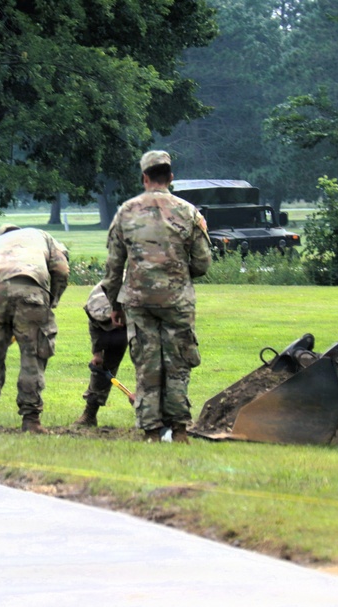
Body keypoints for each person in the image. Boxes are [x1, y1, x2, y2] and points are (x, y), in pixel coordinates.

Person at [99, 150, 212, 443]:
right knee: (178, 363)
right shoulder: (189, 212)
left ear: (144, 178)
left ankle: (150, 431)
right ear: (170, 178)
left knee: (147, 364)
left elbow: (113, 267)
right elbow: (202, 263)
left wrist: (114, 305)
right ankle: (180, 430)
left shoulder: (125, 212)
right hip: (177, 299)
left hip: (138, 300)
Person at [0, 223, 70, 434]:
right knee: (32, 357)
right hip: (31, 290)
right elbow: (61, 268)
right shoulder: (41, 235)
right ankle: (31, 420)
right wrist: (52, 299)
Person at [74, 284, 130, 427]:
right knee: (103, 368)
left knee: (151, 366)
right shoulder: (95, 304)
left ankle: (162, 415)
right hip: (120, 317)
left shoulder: (134, 294)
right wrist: (97, 353)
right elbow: (95, 327)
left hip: (139, 318)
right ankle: (89, 414)